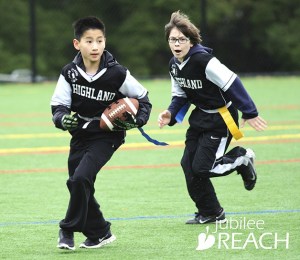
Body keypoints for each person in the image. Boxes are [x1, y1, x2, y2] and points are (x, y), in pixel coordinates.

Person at [51, 16, 152, 250]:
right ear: (77, 44)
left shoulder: (117, 73)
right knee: (76, 183)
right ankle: (100, 232)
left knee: (80, 179)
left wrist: (139, 118)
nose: (95, 46)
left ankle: (66, 230)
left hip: (107, 136)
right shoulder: (69, 73)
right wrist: (61, 119)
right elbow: (58, 107)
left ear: (105, 42)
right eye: (89, 41)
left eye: (99, 40)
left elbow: (143, 99)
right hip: (79, 135)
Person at [158, 11, 267, 224]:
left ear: (191, 41)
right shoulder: (174, 64)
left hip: (221, 119)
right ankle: (211, 212)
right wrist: (170, 113)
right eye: (173, 39)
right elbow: (180, 95)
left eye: (181, 39)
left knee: (203, 167)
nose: (176, 44)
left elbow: (232, 81)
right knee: (188, 165)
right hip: (200, 118)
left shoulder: (204, 60)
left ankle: (242, 159)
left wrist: (250, 111)